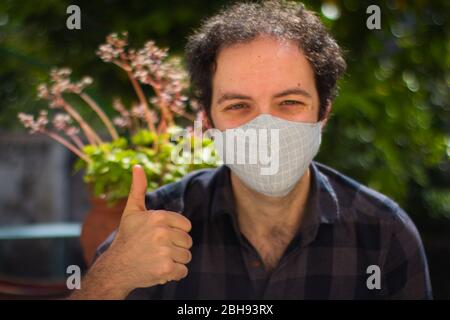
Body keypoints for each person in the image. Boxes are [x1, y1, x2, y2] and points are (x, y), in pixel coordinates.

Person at [70, 0, 432, 299]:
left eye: (289, 102)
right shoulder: (156, 225)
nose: (266, 127)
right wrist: (114, 276)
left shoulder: (384, 234)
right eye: (238, 106)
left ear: (323, 113)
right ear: (208, 123)